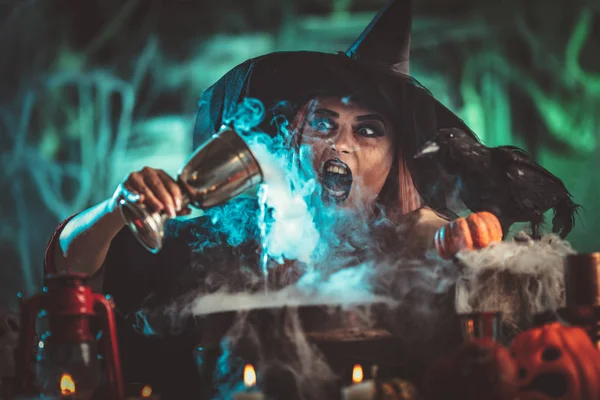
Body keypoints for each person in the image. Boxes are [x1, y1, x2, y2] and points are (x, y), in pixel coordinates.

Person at [43, 0, 482, 397]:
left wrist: (454, 240)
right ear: (293, 138)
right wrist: (114, 209)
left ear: (394, 159)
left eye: (368, 131)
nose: (342, 145)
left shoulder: (416, 252)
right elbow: (69, 267)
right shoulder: (224, 242)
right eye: (323, 124)